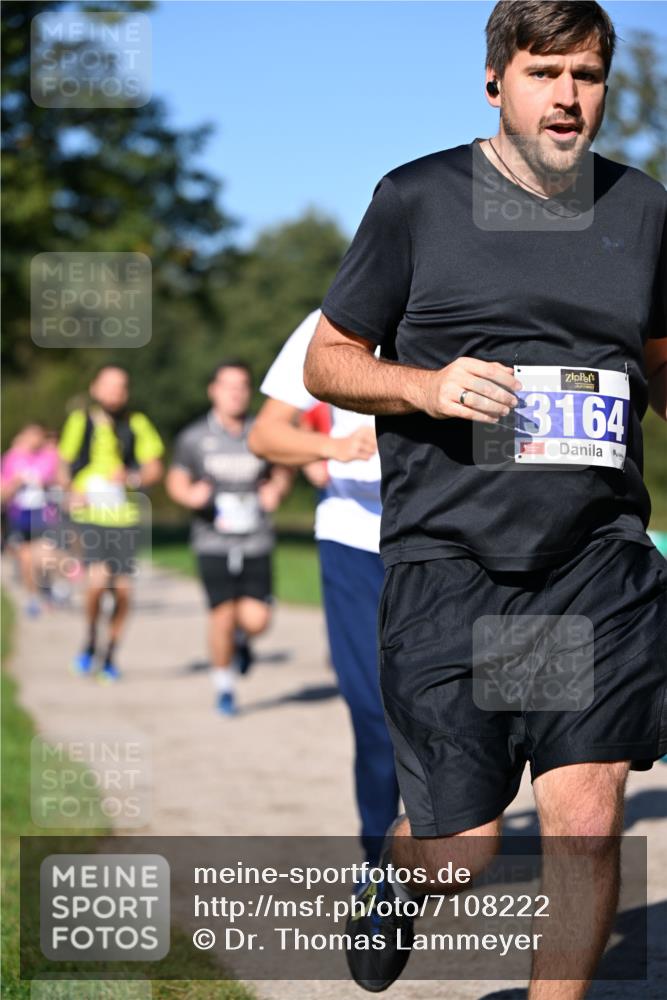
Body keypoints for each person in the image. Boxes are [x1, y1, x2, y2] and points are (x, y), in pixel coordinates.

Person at [303, 1, 667, 995]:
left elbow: (658, 361)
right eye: (544, 73)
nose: (566, 96)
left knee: (586, 824)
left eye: (585, 75)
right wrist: (425, 387)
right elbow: (329, 360)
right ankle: (399, 875)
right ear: (495, 81)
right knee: (460, 849)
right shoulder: (416, 199)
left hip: (594, 559)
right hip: (451, 560)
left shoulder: (640, 209)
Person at [248, 310, 400, 866]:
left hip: (445, 539)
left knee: (453, 707)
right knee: (373, 707)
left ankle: (444, 836)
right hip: (353, 538)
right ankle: (380, 860)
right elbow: (265, 434)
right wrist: (333, 448)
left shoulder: (466, 306)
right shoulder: (332, 322)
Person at [166, 360, 291, 716]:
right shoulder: (194, 437)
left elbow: (284, 467)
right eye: (228, 386)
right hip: (212, 540)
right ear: (213, 391)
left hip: (256, 539)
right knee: (221, 614)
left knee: (257, 620)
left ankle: (242, 640)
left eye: (242, 386)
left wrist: (277, 490)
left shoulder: (261, 432)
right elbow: (176, 479)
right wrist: (190, 496)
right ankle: (224, 686)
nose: (235, 393)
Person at [58, 365, 164, 681]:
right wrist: (70, 490)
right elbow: (62, 465)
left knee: (123, 591)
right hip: (89, 515)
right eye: (109, 385)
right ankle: (91, 637)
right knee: (96, 582)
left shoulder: (137, 423)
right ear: (95, 388)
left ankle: (110, 653)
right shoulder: (80, 421)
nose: (115, 392)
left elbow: (155, 468)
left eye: (121, 386)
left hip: (124, 517)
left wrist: (132, 477)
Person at [1, 424, 59, 616]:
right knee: (26, 560)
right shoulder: (11, 458)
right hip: (19, 515)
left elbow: (59, 481)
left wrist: (45, 482)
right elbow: (3, 491)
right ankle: (33, 597)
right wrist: (16, 482)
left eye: (38, 435)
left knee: (45, 558)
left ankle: (47, 588)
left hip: (43, 514)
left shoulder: (49, 456)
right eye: (31, 435)